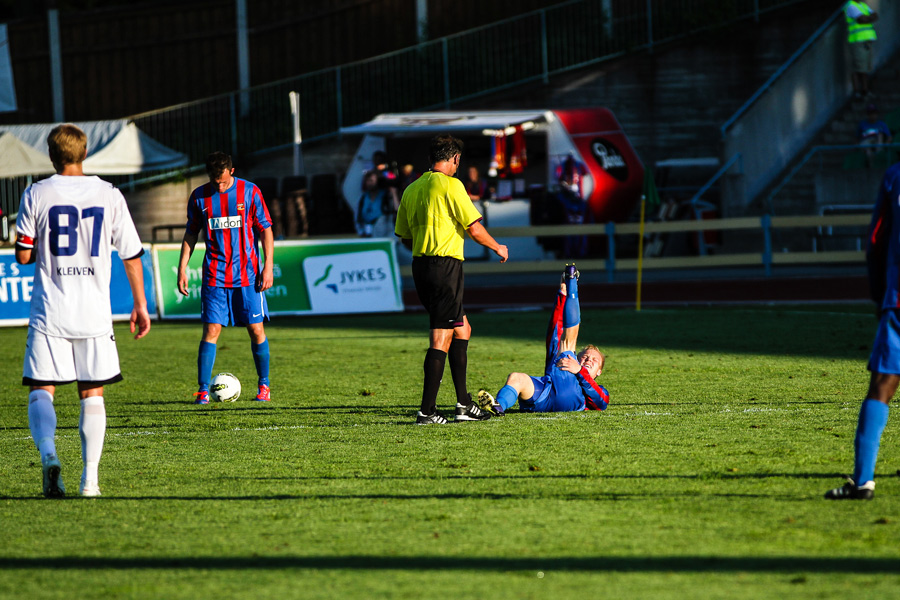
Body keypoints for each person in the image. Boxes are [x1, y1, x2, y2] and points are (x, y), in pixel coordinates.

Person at [15, 123, 151, 498]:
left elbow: (24, 255)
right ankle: (90, 480)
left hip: (50, 311)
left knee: (42, 388)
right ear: (84, 153)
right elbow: (132, 255)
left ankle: (48, 455)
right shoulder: (109, 194)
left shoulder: (37, 193)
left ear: (51, 155)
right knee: (92, 392)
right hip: (94, 312)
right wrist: (140, 305)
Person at [395, 134, 509, 424]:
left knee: (462, 329)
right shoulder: (452, 185)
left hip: (421, 266)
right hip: (445, 268)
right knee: (441, 336)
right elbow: (474, 228)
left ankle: (463, 404)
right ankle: (426, 412)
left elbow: (404, 236)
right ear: (455, 159)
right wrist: (497, 246)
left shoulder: (411, 189)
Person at [825, 161, 900, 500]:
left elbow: (877, 239)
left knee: (883, 386)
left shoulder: (894, 175)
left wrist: (878, 292)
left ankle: (863, 480)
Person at [177, 151, 274, 404]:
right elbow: (191, 233)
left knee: (256, 329)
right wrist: (182, 268)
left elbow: (266, 230)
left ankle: (264, 386)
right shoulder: (200, 196)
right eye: (214, 181)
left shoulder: (250, 192)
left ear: (231, 171)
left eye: (222, 180)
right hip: (215, 275)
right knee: (211, 330)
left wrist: (268, 267)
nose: (218, 186)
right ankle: (202, 389)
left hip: (248, 275)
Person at [477, 265, 609, 415]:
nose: (588, 360)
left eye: (595, 360)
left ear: (599, 372)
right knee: (517, 378)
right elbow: (554, 333)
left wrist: (579, 370)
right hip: (545, 394)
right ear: (577, 358)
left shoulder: (600, 389)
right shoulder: (565, 361)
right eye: (585, 356)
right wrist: (562, 293)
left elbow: (602, 403)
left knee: (567, 344)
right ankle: (499, 406)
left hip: (570, 397)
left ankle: (573, 282)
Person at [845, 1, 878, 100]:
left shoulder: (863, 5)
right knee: (858, 67)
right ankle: (857, 91)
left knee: (865, 67)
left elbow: (875, 15)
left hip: (866, 41)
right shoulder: (851, 5)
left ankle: (865, 90)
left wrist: (868, 18)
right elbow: (861, 19)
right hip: (857, 41)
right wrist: (869, 18)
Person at [356, 170, 395, 237]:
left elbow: (394, 211)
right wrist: (361, 231)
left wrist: (393, 193)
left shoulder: (385, 195)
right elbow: (358, 216)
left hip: (383, 231)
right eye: (367, 181)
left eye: (372, 181)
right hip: (367, 232)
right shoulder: (363, 197)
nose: (369, 183)